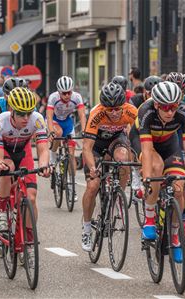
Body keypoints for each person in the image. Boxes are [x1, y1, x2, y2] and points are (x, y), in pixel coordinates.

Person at [130, 81, 185, 263]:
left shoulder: (184, 111)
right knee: (156, 168)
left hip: (169, 144)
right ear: (157, 104)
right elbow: (146, 146)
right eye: (166, 107)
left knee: (179, 187)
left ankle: (175, 236)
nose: (170, 112)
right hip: (144, 141)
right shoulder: (146, 110)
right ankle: (150, 219)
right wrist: (147, 178)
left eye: (173, 107)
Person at [81, 82, 137, 251]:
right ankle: (86, 228)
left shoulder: (131, 111)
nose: (113, 112)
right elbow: (87, 148)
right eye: (109, 109)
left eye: (117, 108)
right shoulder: (96, 114)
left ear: (124, 105)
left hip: (116, 140)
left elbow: (140, 137)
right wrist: (92, 168)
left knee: (123, 158)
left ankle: (117, 196)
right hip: (97, 145)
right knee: (92, 186)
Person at [0, 87, 50, 236]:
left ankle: (29, 240)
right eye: (22, 114)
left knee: (31, 196)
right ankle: (2, 211)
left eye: (29, 113)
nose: (26, 118)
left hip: (23, 150)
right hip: (4, 150)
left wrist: (44, 165)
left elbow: (43, 149)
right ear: (11, 110)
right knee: (7, 167)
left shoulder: (37, 120)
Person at [47, 76, 87, 201]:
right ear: (59, 92)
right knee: (58, 134)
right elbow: (48, 116)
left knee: (71, 155)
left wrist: (85, 131)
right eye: (64, 93)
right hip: (55, 121)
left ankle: (71, 184)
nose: (67, 95)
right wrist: (51, 131)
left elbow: (82, 115)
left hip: (68, 123)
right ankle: (53, 156)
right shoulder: (53, 98)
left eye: (69, 92)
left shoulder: (77, 97)